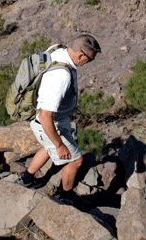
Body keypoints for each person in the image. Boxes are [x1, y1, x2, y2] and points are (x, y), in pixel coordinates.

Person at [19, 34, 100, 202]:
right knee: (75, 160)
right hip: (47, 122)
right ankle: (65, 196)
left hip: (53, 118)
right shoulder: (62, 76)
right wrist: (59, 144)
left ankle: (26, 179)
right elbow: (45, 116)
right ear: (80, 55)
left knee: (49, 148)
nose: (88, 63)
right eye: (90, 60)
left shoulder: (58, 50)